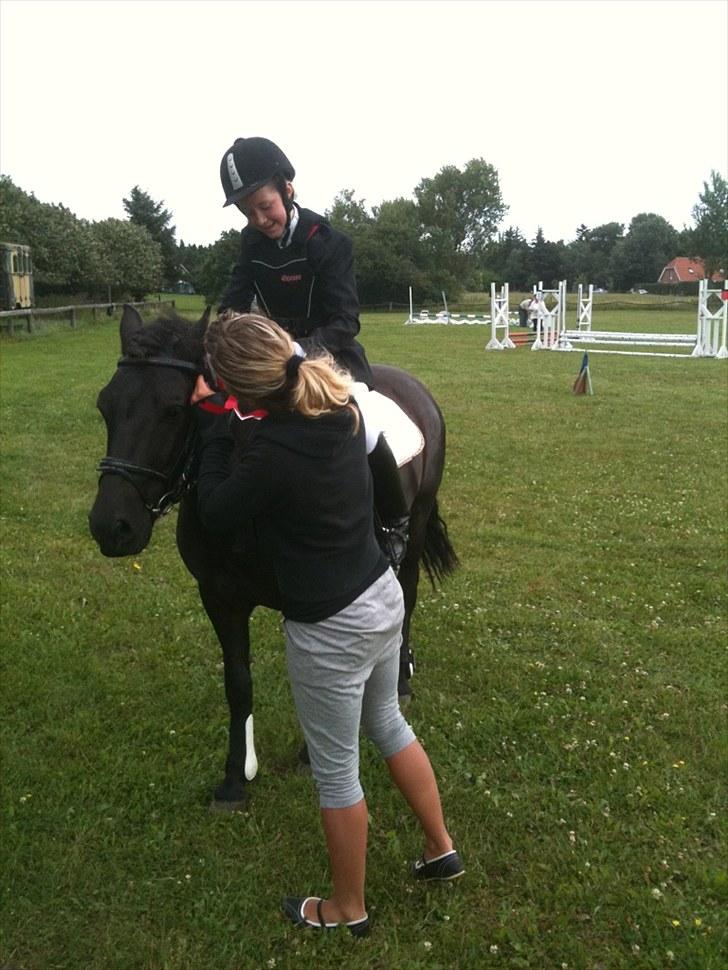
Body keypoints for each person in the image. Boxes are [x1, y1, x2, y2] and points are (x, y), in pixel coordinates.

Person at [192, 313, 464, 937]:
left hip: (330, 629)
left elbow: (215, 512)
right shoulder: (341, 408)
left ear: (242, 390)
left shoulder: (268, 453)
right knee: (390, 723)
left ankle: (348, 907)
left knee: (338, 770)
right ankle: (440, 846)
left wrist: (213, 428)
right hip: (381, 597)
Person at [217, 136, 409, 568]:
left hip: (331, 357)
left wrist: (299, 350)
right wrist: (223, 339)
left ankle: (395, 521)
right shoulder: (251, 245)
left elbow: (346, 320)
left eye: (264, 206)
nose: (259, 219)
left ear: (286, 187)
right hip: (276, 361)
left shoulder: (330, 241)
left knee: (365, 421)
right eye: (248, 212)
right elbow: (233, 300)